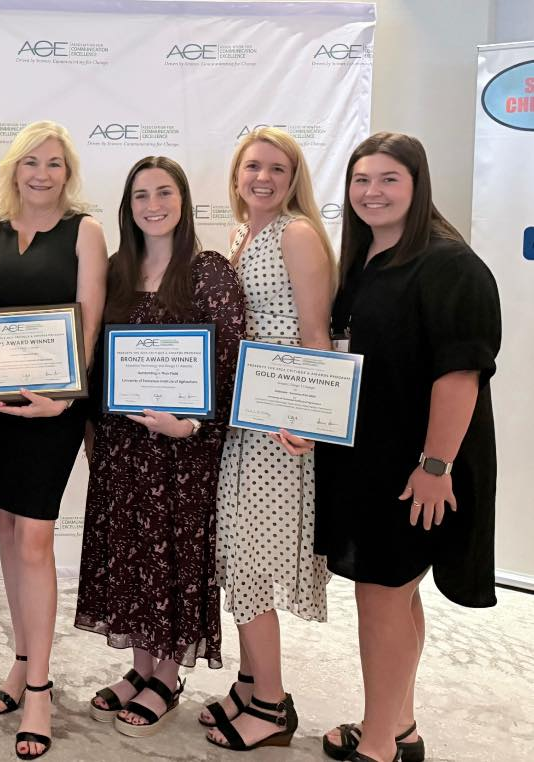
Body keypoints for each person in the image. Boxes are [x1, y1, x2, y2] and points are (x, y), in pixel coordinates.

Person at [316, 132, 501, 762]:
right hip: (371, 458)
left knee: (381, 597)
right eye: (361, 179)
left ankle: (376, 746)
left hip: (419, 465)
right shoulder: (367, 259)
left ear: (417, 186)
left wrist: (434, 465)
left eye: (389, 179)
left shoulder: (448, 263)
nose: (372, 192)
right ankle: (400, 726)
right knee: (398, 592)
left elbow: (461, 373)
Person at [75, 157, 245, 738]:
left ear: (183, 199)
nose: (153, 204)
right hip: (123, 447)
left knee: (169, 557)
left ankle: (168, 677)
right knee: (129, 555)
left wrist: (190, 428)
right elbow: (93, 354)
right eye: (141, 195)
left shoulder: (209, 272)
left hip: (180, 454)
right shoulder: (118, 271)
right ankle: (140, 668)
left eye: (163, 192)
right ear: (128, 206)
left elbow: (227, 371)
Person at [0, 121, 107, 760]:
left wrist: (65, 398)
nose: (42, 174)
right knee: (4, 528)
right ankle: (21, 661)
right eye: (31, 163)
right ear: (14, 169)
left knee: (37, 536)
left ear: (67, 172)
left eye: (54, 163)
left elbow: (90, 330)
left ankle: (42, 689)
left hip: (54, 409)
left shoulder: (87, 232)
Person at [202, 127, 336, 752]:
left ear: (293, 178)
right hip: (239, 415)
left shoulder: (297, 234)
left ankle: (271, 707)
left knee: (250, 558)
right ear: (236, 174)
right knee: (233, 552)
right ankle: (248, 680)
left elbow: (315, 336)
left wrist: (308, 420)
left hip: (276, 426)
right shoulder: (239, 236)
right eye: (252, 166)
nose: (263, 177)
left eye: (277, 168)